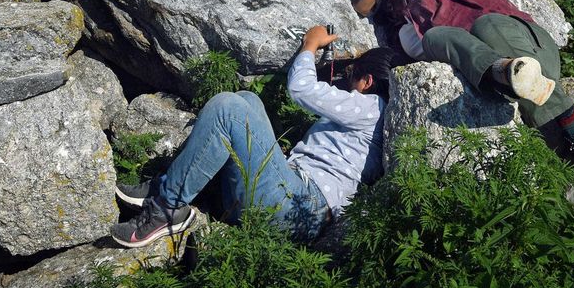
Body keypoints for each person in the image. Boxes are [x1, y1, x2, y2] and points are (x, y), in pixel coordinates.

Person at [110, 27, 394, 247]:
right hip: (295, 203)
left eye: (352, 73)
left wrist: (309, 45)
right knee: (247, 99)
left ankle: (167, 208)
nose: (347, 78)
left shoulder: (371, 107)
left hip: (297, 207)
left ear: (367, 82)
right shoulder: (377, 117)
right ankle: (168, 185)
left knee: (228, 109)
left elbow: (301, 89)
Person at [352, 0, 574, 182]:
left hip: (523, 41)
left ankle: (572, 116)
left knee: (484, 26)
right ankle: (504, 74)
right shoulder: (406, 28)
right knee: (435, 37)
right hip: (493, 74)